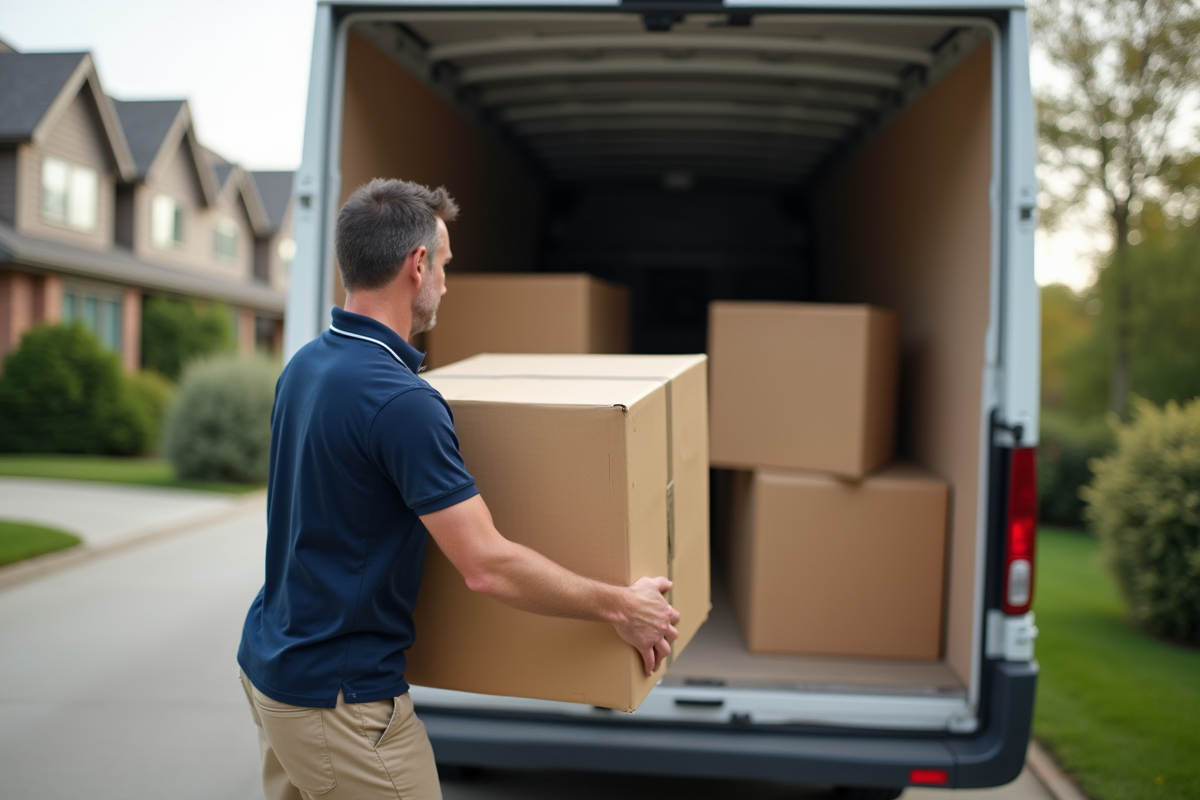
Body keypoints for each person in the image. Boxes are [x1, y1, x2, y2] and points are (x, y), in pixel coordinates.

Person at [237, 178, 680, 800]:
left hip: (273, 670)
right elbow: (486, 565)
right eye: (445, 264)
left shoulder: (308, 364)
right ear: (417, 265)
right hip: (340, 703)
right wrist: (623, 607)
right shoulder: (401, 402)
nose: (447, 283)